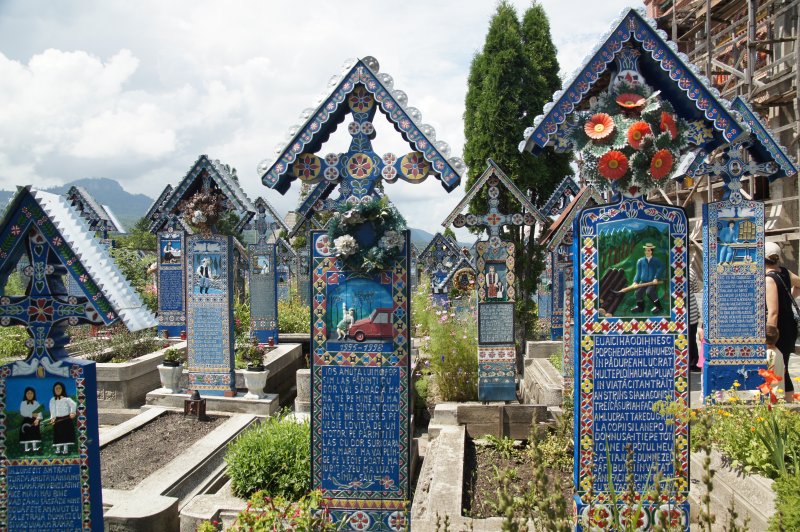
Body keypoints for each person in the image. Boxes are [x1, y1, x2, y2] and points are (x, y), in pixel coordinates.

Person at [765, 241, 800, 394]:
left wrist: (769, 340)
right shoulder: (785, 272)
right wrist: (789, 298)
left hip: (778, 330)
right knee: (783, 366)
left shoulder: (769, 279)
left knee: (778, 369)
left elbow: (773, 312)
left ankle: (787, 403)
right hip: (789, 326)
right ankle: (789, 402)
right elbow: (798, 284)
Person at [629, 243, 665, 313]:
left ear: (651, 251)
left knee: (649, 292)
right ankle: (640, 308)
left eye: (648, 250)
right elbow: (638, 273)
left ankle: (659, 307)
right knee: (637, 293)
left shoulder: (655, 260)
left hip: (652, 281)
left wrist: (656, 277)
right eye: (646, 250)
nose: (647, 252)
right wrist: (635, 281)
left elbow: (661, 267)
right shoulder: (640, 261)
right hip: (643, 281)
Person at [49, 382, 77, 455]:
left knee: (65, 435)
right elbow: (52, 410)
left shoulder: (67, 399)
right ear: (54, 390)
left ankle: (65, 450)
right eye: (56, 388)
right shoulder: (52, 400)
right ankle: (58, 449)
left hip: (66, 420)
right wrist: (52, 418)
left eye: (59, 388)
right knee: (58, 435)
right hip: (57, 420)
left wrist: (72, 412)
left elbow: (74, 404)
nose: (58, 390)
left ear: (63, 389)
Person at [19, 387, 42, 453]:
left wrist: (37, 420)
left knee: (34, 434)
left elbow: (40, 413)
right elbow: (23, 412)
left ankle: (34, 448)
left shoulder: (36, 403)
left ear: (34, 394)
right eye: (28, 393)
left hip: (34, 421)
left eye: (31, 393)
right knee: (26, 434)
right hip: (26, 421)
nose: (30, 395)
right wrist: (31, 414)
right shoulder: (23, 403)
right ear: (25, 394)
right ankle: (26, 449)